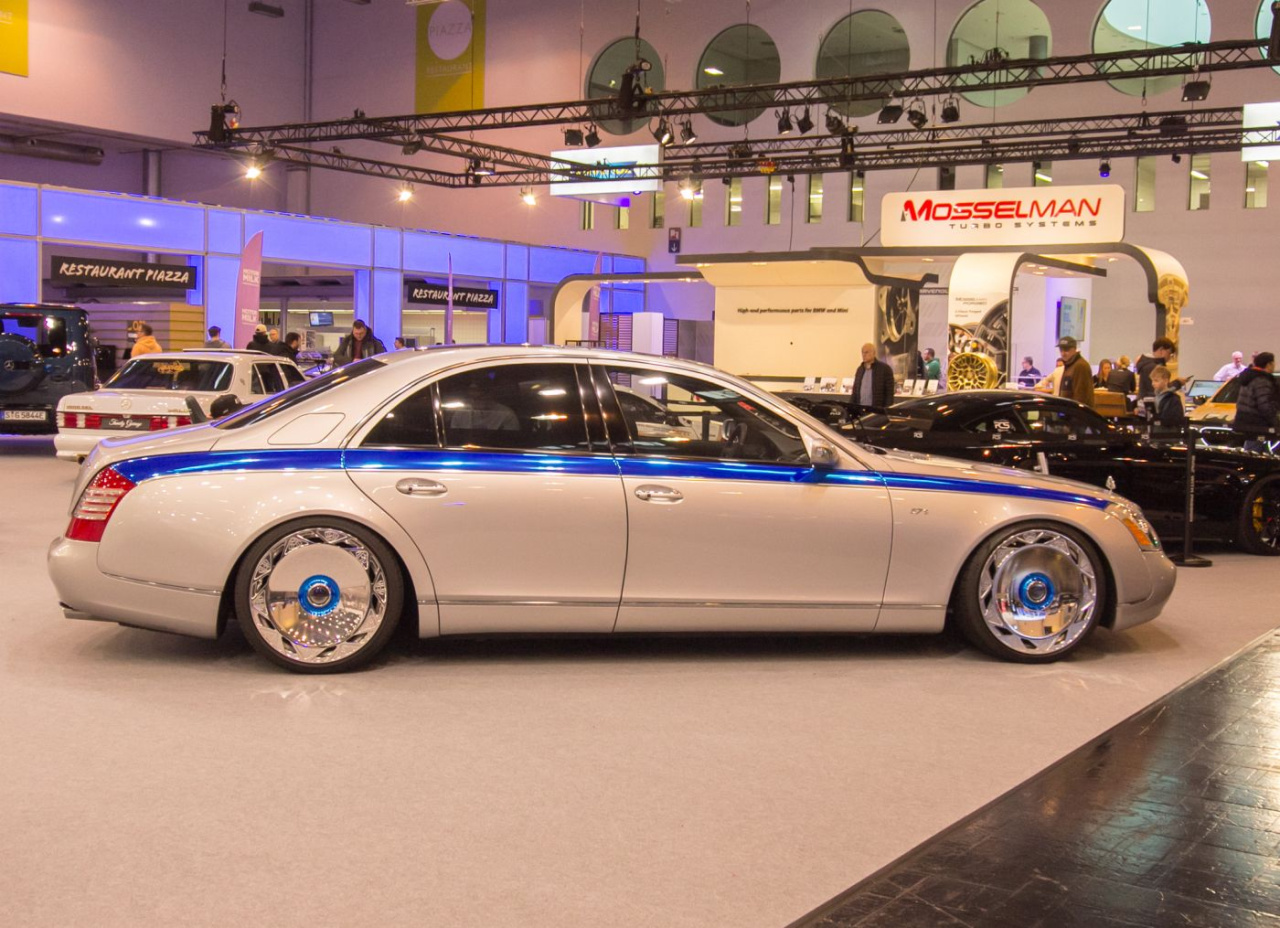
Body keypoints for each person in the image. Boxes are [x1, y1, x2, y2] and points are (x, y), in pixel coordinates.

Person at [1232, 352, 1280, 453]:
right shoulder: (1262, 380)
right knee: (1255, 452)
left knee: (1252, 449)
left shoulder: (1249, 378)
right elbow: (1264, 405)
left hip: (1246, 421)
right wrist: (1275, 423)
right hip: (1258, 423)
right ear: (1269, 364)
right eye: (1273, 363)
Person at [851, 342, 894, 411]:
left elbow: (889, 394)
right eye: (862, 352)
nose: (864, 355)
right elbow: (855, 392)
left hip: (877, 411)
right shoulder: (860, 370)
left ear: (874, 353)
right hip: (860, 411)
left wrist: (886, 411)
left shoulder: (885, 369)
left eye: (866, 352)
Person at [1056, 336, 1094, 406]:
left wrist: (1074, 411)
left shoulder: (1080, 366)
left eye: (1066, 350)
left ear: (1074, 349)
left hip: (1077, 411)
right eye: (1061, 350)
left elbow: (1081, 396)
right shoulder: (1069, 365)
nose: (1063, 353)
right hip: (1069, 410)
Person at [1148, 365, 1186, 430]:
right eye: (1152, 381)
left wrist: (1156, 417)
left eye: (1156, 381)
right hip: (1155, 432)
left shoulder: (1174, 399)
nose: (1152, 383)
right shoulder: (1154, 397)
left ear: (1166, 381)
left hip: (1167, 433)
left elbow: (1175, 420)